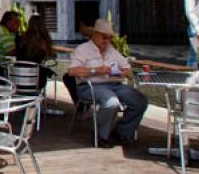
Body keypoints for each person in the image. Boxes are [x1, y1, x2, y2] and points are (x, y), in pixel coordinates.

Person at [68, 18, 147, 148]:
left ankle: (122, 132)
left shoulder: (112, 50)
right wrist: (96, 70)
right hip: (90, 85)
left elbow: (126, 67)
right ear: (95, 34)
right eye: (104, 37)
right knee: (112, 102)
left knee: (140, 100)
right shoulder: (82, 50)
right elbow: (72, 71)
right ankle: (100, 135)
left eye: (109, 38)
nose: (107, 41)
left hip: (114, 84)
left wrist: (123, 72)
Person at [16, 14, 56, 90]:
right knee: (44, 72)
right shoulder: (44, 42)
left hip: (18, 78)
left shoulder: (19, 39)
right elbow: (47, 56)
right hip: (35, 81)